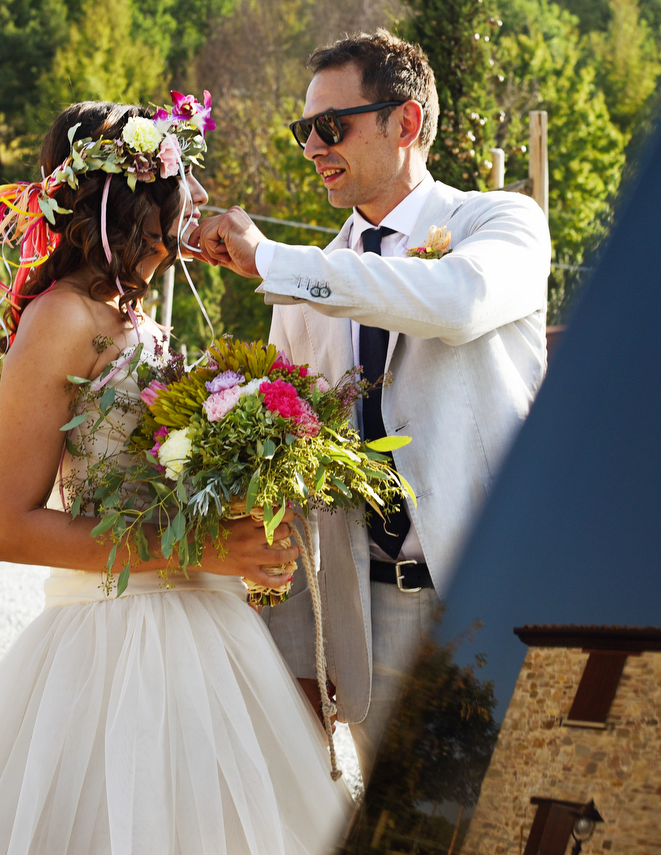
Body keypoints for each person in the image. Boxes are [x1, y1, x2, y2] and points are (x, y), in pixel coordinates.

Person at [0, 99, 348, 855]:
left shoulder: (136, 318)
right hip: (113, 646)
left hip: (211, 633)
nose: (199, 200)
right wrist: (201, 551)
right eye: (185, 181)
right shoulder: (60, 320)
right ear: (138, 195)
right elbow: (2, 528)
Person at [191, 30, 551, 774]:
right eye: (304, 131)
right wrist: (296, 650)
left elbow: (457, 301)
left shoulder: (502, 224)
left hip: (492, 602)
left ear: (406, 122)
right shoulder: (304, 279)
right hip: (371, 620)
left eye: (332, 126)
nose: (313, 147)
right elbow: (286, 465)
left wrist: (270, 259)